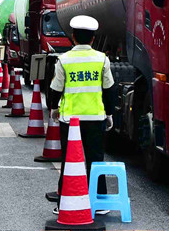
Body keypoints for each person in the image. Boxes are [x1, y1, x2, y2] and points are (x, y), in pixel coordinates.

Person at [45, 15, 116, 214]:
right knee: (95, 159)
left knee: (69, 161)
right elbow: (109, 90)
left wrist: (54, 108)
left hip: (70, 121)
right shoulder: (102, 59)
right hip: (95, 118)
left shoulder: (64, 60)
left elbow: (55, 90)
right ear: (93, 39)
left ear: (73, 37)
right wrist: (109, 114)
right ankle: (100, 202)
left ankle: (64, 204)